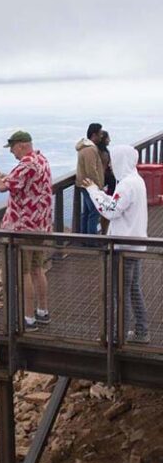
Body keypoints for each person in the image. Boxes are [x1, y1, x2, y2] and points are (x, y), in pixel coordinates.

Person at [0, 130, 53, 330]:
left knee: (24, 272)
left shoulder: (27, 164)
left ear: (20, 145)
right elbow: (17, 182)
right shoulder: (41, 159)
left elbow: (3, 187)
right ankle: (42, 311)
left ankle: (28, 319)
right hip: (40, 226)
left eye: (12, 148)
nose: (12, 152)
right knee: (38, 268)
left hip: (23, 229)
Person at [79, 144, 150, 344]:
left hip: (124, 246)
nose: (110, 164)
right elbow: (117, 205)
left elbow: (110, 210)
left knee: (121, 292)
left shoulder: (126, 184)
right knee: (133, 288)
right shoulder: (137, 180)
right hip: (136, 243)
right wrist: (100, 193)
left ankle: (119, 335)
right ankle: (141, 330)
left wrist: (93, 191)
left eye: (112, 160)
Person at [76, 123, 105, 236]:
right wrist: (98, 186)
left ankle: (84, 237)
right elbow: (91, 170)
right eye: (100, 134)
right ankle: (92, 240)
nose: (101, 136)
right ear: (94, 135)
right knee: (94, 211)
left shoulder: (86, 148)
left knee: (87, 212)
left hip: (84, 184)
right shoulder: (90, 150)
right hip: (90, 185)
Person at [98, 130, 116, 234]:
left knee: (105, 210)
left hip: (107, 184)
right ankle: (105, 233)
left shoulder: (101, 152)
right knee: (107, 209)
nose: (109, 140)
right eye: (108, 138)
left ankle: (104, 232)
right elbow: (104, 169)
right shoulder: (104, 153)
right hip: (108, 185)